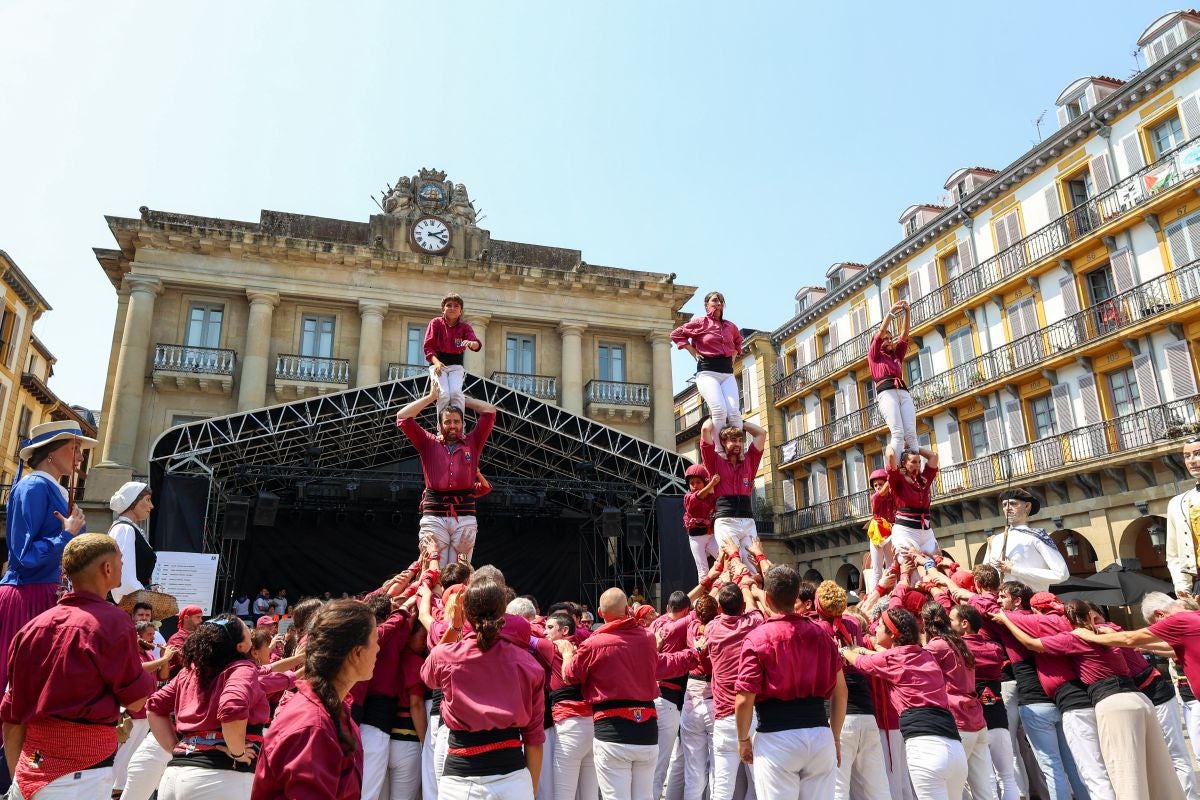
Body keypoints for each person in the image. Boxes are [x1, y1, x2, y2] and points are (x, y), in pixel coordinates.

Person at [0, 533, 155, 800]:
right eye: (121, 560)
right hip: (81, 777)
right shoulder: (113, 622)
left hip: (29, 770)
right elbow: (138, 700)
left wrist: (19, 777)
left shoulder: (31, 629)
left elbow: (11, 716)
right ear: (107, 568)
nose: (122, 565)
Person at [995, 599, 1185, 800]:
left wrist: (1006, 619)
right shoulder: (1107, 630)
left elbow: (1030, 643)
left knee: (1123, 772)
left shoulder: (1075, 637)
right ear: (1090, 616)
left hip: (1113, 703)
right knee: (1158, 768)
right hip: (1140, 699)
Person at [563, 587, 698, 800]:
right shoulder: (646, 639)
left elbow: (570, 675)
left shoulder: (593, 644)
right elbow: (666, 664)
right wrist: (695, 653)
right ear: (627, 608)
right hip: (645, 730)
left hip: (612, 730)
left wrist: (567, 653)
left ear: (599, 612)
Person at [422, 579, 546, 798]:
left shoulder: (445, 656)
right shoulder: (528, 665)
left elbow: (427, 675)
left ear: (466, 612)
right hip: (514, 780)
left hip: (461, 780)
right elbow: (533, 738)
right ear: (503, 612)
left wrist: (455, 625)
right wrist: (530, 790)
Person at [735, 565, 847, 800]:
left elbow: (745, 698)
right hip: (819, 734)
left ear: (767, 597)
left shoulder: (757, 638)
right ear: (797, 595)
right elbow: (841, 692)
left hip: (777, 738)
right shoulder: (822, 635)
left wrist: (743, 739)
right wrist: (834, 736)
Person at [252, 599, 379, 800]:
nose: (379, 649)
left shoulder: (334, 710)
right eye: (376, 640)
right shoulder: (313, 727)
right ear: (356, 653)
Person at [0, 420, 93, 687]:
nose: (80, 456)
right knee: (21, 686)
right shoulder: (33, 487)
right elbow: (23, 555)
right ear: (52, 451)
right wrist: (66, 535)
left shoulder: (52, 488)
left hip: (47, 594)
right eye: (75, 447)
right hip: (28, 596)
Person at [843, 607, 969, 800]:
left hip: (925, 748)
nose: (875, 629)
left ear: (892, 634)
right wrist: (863, 649)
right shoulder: (925, 655)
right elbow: (882, 657)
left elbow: (859, 662)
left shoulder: (894, 658)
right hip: (954, 747)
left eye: (880, 626)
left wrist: (844, 650)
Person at [146, 614, 267, 799]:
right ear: (240, 646)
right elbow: (232, 708)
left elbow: (154, 707)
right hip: (219, 778)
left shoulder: (190, 671)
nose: (251, 634)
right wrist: (237, 751)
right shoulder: (242, 668)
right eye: (247, 632)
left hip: (175, 777)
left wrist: (175, 748)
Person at [396, 382, 497, 564]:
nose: (452, 425)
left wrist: (462, 400)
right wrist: (431, 397)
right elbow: (402, 417)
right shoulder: (428, 442)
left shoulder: (473, 442)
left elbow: (490, 411)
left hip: (464, 516)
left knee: (461, 567)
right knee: (434, 570)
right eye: (448, 421)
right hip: (434, 516)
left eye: (456, 421)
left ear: (463, 424)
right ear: (440, 424)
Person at [811, 581, 890, 800]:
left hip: (837, 713)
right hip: (866, 711)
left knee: (837, 788)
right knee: (878, 787)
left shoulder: (816, 628)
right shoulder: (853, 623)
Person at [919, 601, 996, 800]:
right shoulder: (960, 642)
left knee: (955, 789)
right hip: (976, 718)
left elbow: (912, 664)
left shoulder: (937, 645)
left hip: (958, 719)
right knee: (983, 788)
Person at [671, 291, 744, 440]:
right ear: (706, 305)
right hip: (707, 372)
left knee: (734, 413)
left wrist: (733, 357)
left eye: (721, 301)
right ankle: (719, 448)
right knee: (719, 410)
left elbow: (738, 341)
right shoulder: (700, 322)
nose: (718, 304)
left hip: (727, 373)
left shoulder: (731, 326)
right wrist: (692, 351)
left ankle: (737, 449)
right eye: (715, 300)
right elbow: (676, 334)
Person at [699, 417, 767, 566]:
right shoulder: (715, 462)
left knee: (754, 565)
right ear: (723, 442)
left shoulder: (749, 461)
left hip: (748, 520)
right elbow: (705, 430)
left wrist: (738, 421)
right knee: (733, 563)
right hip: (726, 520)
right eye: (733, 440)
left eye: (739, 440)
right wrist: (718, 417)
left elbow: (761, 433)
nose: (737, 444)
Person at [982, 488, 1069, 593]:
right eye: (1004, 505)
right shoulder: (995, 540)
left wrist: (1015, 570)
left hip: (1032, 603)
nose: (1008, 508)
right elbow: (984, 576)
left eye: (1013, 504)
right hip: (1000, 605)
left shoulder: (1037, 537)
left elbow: (1061, 574)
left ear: (1027, 506)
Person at [424, 292, 482, 417]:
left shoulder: (465, 327)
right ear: (442, 309)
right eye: (449, 305)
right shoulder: (435, 323)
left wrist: (472, 344)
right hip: (438, 364)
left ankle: (459, 427)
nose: (452, 308)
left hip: (456, 365)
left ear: (461, 311)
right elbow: (428, 347)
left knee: (456, 393)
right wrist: (436, 362)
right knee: (444, 394)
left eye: (456, 306)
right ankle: (442, 428)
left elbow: (476, 344)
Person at [870, 299, 916, 456]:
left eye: (891, 338)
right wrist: (891, 312)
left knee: (910, 434)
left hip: (902, 391)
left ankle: (914, 470)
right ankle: (895, 469)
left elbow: (904, 336)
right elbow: (881, 332)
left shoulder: (896, 356)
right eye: (886, 339)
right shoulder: (874, 355)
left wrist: (907, 312)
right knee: (897, 432)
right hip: (887, 392)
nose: (890, 340)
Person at [886, 444, 940, 559]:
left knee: (938, 563)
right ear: (904, 464)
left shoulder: (924, 479)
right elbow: (890, 455)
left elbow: (934, 457)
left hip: (926, 531)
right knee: (910, 566)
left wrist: (914, 446)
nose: (918, 465)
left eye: (919, 462)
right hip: (906, 531)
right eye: (913, 462)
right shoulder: (898, 480)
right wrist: (894, 443)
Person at [107, 481, 157, 605]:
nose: (151, 506)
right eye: (147, 500)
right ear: (133, 501)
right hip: (128, 606)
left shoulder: (129, 528)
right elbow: (124, 578)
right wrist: (146, 597)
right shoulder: (124, 529)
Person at [1166, 435, 1200, 596]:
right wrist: (1182, 588)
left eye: (1198, 453)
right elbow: (1174, 555)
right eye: (1187, 456)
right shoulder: (1177, 504)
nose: (1192, 460)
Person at [682, 463, 720, 581]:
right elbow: (698, 496)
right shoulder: (688, 497)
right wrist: (711, 484)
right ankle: (704, 597)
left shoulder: (712, 497)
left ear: (704, 482)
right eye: (692, 483)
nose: (694, 485)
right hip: (696, 538)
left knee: (725, 559)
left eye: (698, 482)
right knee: (703, 570)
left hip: (710, 536)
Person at [866, 467, 896, 593]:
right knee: (877, 569)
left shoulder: (893, 497)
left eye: (880, 484)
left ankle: (894, 592)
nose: (877, 487)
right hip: (877, 534)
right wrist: (893, 476)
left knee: (891, 566)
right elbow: (881, 494)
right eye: (875, 485)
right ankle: (874, 594)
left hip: (890, 533)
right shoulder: (875, 497)